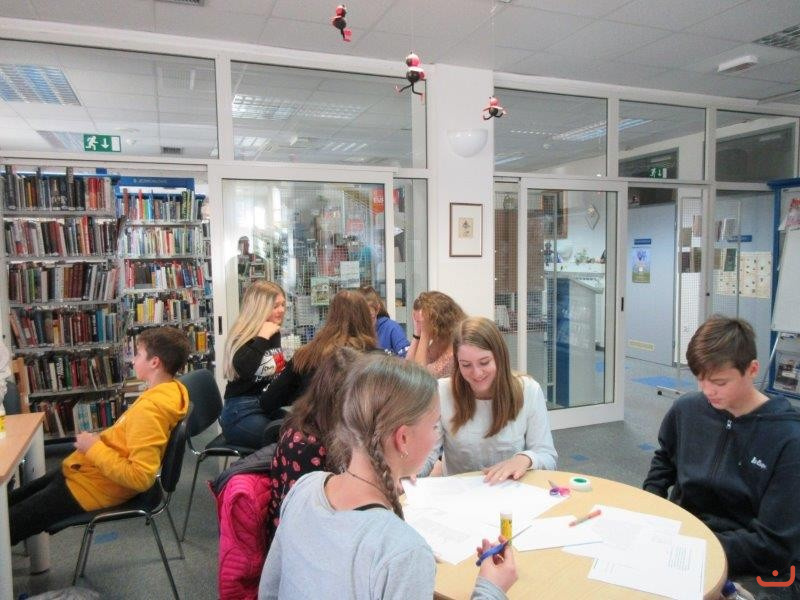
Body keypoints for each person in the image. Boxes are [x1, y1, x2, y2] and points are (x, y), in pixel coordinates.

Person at [258, 354, 517, 600]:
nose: (436, 435)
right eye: (434, 425)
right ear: (403, 438)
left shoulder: (305, 487)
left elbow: (269, 591)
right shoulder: (403, 551)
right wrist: (490, 589)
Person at [643, 316, 800, 594]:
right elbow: (665, 459)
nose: (708, 391)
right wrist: (650, 506)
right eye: (700, 380)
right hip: (684, 541)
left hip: (753, 564)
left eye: (719, 382)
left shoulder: (788, 438)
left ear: (752, 370)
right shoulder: (687, 409)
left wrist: (699, 546)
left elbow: (773, 545)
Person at [9, 326, 191, 547]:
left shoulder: (151, 410)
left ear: (155, 362)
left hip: (93, 488)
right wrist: (99, 443)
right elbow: (128, 439)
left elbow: (141, 477)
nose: (133, 360)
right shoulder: (169, 392)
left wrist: (93, 447)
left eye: (138, 354)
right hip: (89, 474)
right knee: (12, 501)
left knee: (9, 523)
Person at [420, 316, 557, 481]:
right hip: (460, 492)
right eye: (466, 365)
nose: (477, 373)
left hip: (510, 489)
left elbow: (548, 457)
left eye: (484, 362)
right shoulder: (442, 392)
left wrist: (525, 459)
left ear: (500, 357)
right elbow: (426, 455)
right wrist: (408, 473)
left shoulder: (529, 390)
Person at [265, 346, 359, 544]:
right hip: (302, 543)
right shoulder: (305, 445)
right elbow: (304, 522)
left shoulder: (335, 428)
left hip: (332, 525)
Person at [259, 290, 377, 419]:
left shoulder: (305, 355)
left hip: (312, 427)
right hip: (357, 429)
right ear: (366, 319)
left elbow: (268, 402)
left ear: (331, 316)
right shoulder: (375, 360)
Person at [220, 281, 287, 448]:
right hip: (240, 412)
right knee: (285, 443)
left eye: (283, 304)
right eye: (275, 306)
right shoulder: (242, 336)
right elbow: (247, 369)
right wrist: (262, 337)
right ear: (259, 308)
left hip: (265, 404)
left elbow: (274, 370)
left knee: (304, 432)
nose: (281, 310)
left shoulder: (273, 332)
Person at [406, 291, 466, 378]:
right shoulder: (439, 340)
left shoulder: (457, 343)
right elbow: (408, 370)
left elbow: (420, 377)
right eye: (417, 321)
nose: (420, 326)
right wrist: (417, 334)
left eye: (422, 322)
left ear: (438, 322)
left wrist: (425, 334)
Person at [358, 285, 410, 357]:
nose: (365, 321)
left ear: (377, 309)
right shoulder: (354, 331)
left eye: (369, 316)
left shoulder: (392, 329)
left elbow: (407, 358)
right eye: (361, 317)